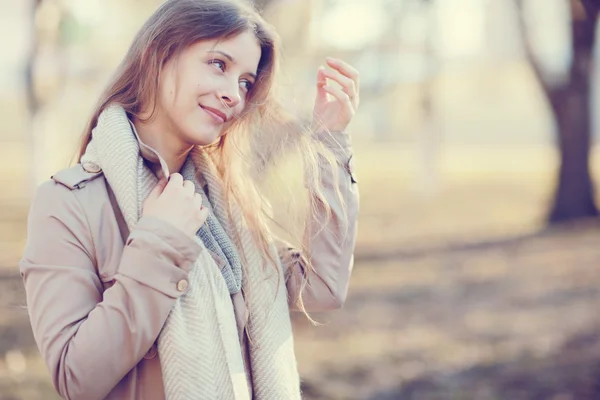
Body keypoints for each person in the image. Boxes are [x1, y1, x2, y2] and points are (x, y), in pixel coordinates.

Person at [19, 0, 359, 399]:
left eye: (246, 83)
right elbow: (75, 378)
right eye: (219, 64)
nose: (234, 94)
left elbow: (321, 289)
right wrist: (160, 243)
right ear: (160, 54)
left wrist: (330, 144)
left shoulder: (230, 207)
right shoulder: (68, 204)